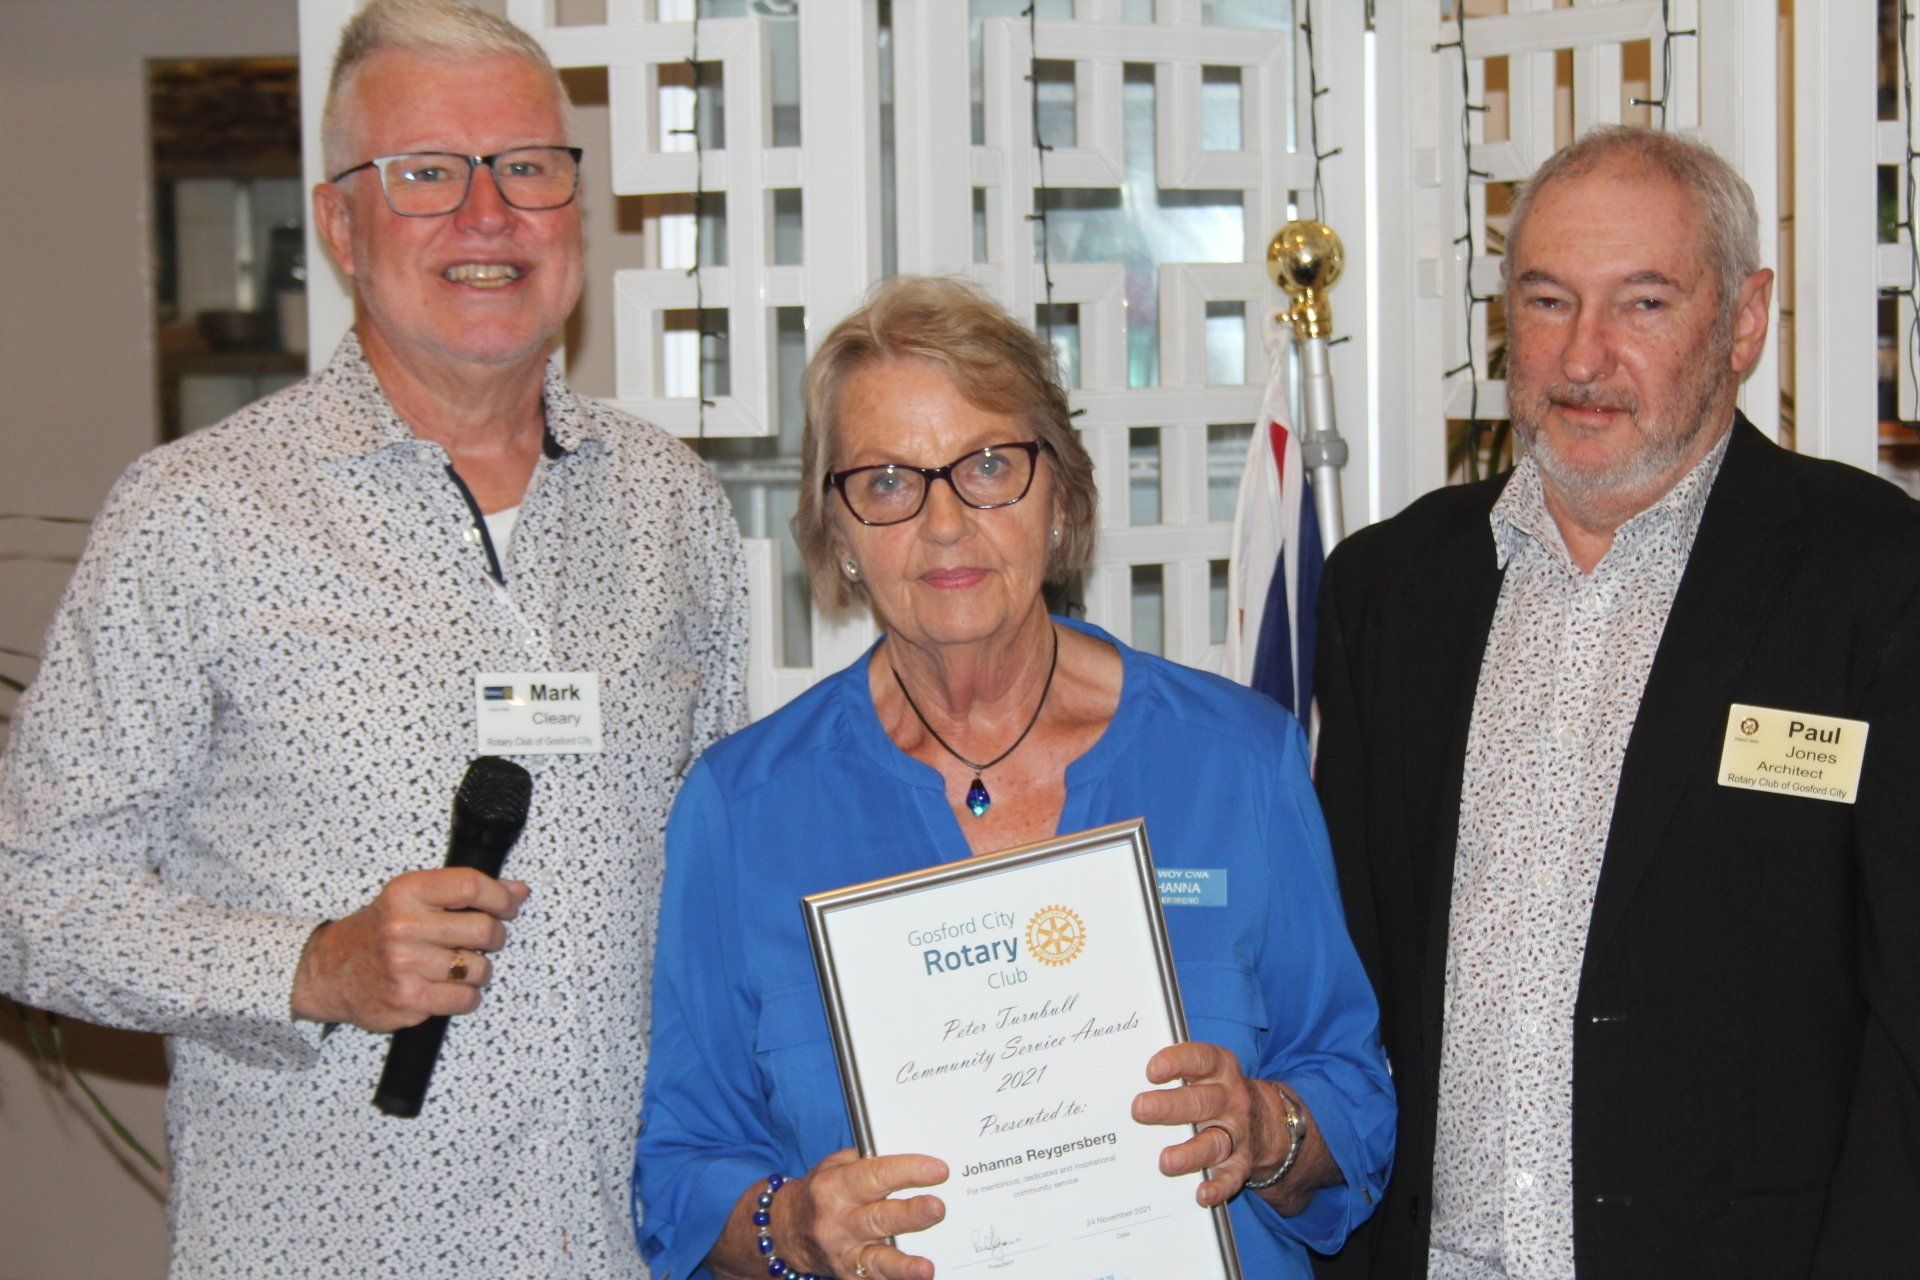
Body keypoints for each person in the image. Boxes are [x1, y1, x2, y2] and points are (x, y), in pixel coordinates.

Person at [0, 2, 746, 1275]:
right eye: (425, 175)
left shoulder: (674, 505)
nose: (487, 214)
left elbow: (725, 884)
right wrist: (312, 964)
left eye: (527, 166)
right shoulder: (195, 515)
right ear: (339, 223)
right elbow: (34, 899)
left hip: (624, 1251)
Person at [633, 275, 1393, 1280]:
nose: (944, 522)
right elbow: (680, 1172)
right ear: (839, 532)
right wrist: (792, 1224)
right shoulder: (743, 807)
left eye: (989, 463)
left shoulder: (1236, 760)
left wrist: (1269, 1126)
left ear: (1062, 494)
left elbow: (1355, 1095)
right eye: (890, 481)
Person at [1313, 125, 1920, 1279]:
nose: (1582, 357)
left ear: (1742, 321)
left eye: (1641, 304)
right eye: (1546, 302)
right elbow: (1350, 981)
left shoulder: (1877, 581)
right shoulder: (1391, 588)